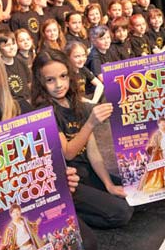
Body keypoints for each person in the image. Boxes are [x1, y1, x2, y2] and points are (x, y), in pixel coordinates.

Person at [0, 38, 97, 249]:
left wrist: (61, 175)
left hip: (35, 207)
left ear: (0, 70)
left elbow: (48, 161)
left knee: (85, 243)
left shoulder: (24, 108)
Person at [32, 48, 133, 229]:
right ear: (40, 82)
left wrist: (108, 184)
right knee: (121, 213)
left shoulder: (75, 103)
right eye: (50, 80)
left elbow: (92, 150)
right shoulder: (43, 112)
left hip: (87, 172)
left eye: (63, 76)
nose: (59, 84)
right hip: (68, 183)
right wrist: (91, 123)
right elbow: (69, 153)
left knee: (134, 194)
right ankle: (71, 212)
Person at [0, 30, 32, 103]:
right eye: (7, 45)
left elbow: (29, 84)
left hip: (27, 102)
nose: (12, 48)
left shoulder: (22, 62)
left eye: (13, 44)